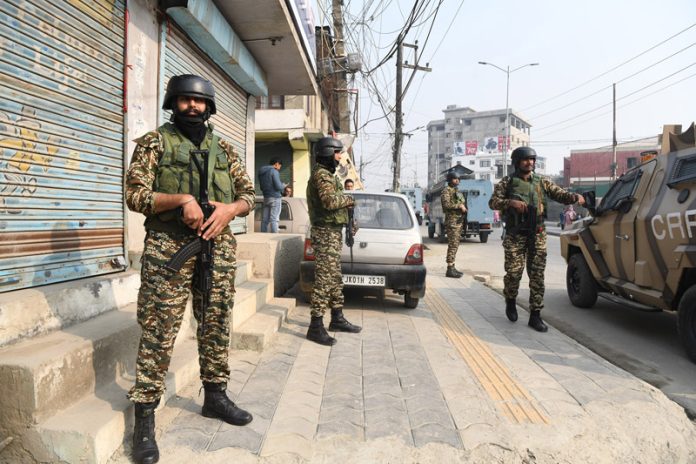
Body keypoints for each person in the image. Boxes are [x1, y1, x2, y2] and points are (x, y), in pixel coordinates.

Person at [125, 74, 255, 464]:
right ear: (173, 103)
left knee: (216, 323)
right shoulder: (154, 143)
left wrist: (232, 209)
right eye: (184, 100)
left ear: (210, 106)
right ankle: (145, 417)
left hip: (218, 248)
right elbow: (135, 194)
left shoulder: (225, 149)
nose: (192, 107)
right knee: (159, 330)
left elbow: (248, 193)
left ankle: (215, 396)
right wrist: (181, 199)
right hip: (169, 250)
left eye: (199, 101)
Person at [489, 146, 585, 332]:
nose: (530, 163)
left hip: (538, 233)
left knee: (537, 276)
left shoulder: (542, 182)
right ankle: (511, 300)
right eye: (526, 160)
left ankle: (535, 315)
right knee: (514, 274)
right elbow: (492, 202)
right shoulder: (507, 182)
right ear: (517, 162)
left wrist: (574, 197)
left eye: (532, 159)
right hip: (516, 234)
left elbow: (560, 194)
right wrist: (510, 202)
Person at [306, 137, 361, 345]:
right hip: (325, 233)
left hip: (332, 232)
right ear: (328, 152)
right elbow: (329, 202)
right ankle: (315, 325)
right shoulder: (322, 176)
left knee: (335, 277)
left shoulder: (330, 176)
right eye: (337, 153)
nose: (339, 157)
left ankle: (337, 317)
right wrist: (349, 199)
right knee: (324, 279)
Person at [441, 171, 467, 278]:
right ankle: (449, 269)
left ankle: (452, 266)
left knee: (455, 245)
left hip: (458, 221)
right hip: (452, 222)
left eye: (458, 179)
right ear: (450, 179)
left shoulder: (456, 190)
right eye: (455, 178)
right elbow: (446, 204)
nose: (457, 180)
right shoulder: (446, 191)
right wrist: (459, 206)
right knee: (452, 245)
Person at [259, 158, 284, 232]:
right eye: (280, 166)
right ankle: (274, 236)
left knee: (264, 219)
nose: (279, 168)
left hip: (266, 197)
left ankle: (263, 236)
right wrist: (283, 185)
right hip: (275, 197)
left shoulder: (261, 171)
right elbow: (278, 186)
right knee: (274, 219)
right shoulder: (274, 171)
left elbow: (261, 186)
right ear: (276, 164)